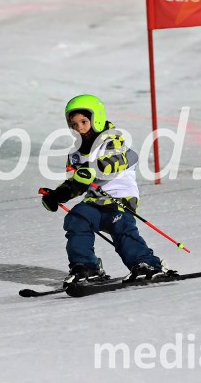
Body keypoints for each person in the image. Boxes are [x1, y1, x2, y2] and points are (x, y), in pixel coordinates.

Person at [39, 94, 175, 287]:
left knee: (120, 227)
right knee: (76, 218)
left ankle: (146, 264)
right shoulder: (75, 153)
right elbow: (76, 183)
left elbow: (117, 162)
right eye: (74, 124)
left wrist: (91, 172)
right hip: (94, 202)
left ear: (97, 118)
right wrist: (57, 196)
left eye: (84, 121)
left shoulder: (113, 140)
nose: (79, 128)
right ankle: (86, 267)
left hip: (119, 199)